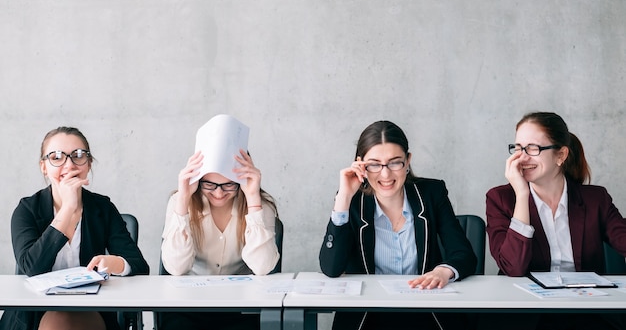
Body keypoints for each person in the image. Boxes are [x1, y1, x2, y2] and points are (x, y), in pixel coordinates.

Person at [319, 120, 477, 330]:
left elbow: (464, 254)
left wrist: (443, 271)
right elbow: (331, 268)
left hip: (427, 312)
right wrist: (343, 199)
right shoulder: (353, 202)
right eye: (374, 164)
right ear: (361, 165)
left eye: (395, 162)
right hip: (368, 317)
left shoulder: (432, 193)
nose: (385, 174)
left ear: (408, 160)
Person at [485, 111, 626, 330]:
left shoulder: (595, 199)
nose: (522, 158)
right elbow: (513, 267)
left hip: (585, 311)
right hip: (526, 313)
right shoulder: (500, 198)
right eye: (519, 148)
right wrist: (522, 195)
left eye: (533, 148)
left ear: (561, 155)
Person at [0, 126, 149, 330]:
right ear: (44, 166)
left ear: (88, 164)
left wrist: (116, 263)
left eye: (78, 155)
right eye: (57, 157)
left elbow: (139, 265)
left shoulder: (103, 208)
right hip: (35, 312)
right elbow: (32, 267)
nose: (69, 164)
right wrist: (67, 209)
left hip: (92, 307)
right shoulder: (27, 209)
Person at [159, 149, 280, 330]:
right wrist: (184, 198)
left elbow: (263, 267)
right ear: (198, 180)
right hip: (189, 304)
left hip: (241, 306)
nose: (218, 193)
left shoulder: (261, 205)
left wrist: (253, 198)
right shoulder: (180, 201)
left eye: (229, 185)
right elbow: (176, 267)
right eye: (209, 184)